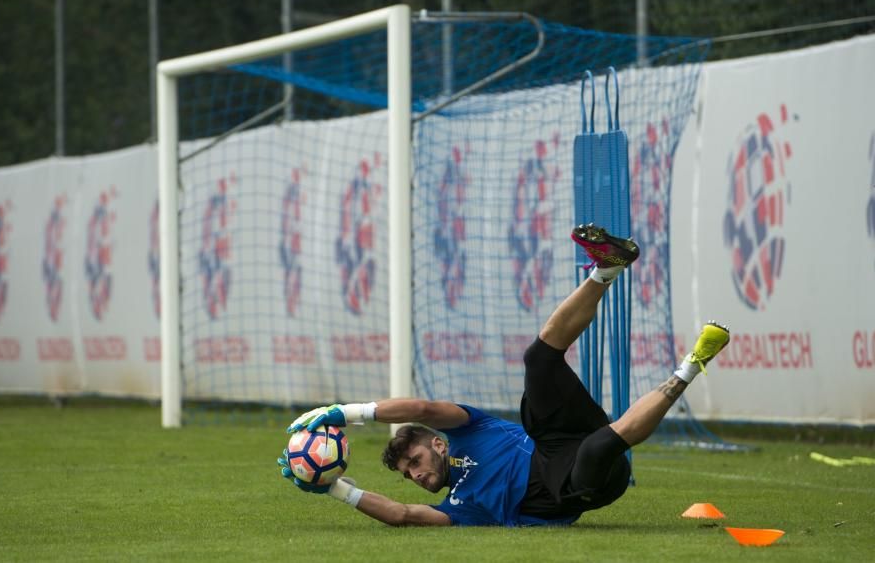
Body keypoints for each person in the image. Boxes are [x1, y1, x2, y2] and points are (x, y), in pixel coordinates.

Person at [277, 223, 730, 527]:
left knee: (538, 358)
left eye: (413, 461)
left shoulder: (469, 430)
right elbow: (403, 516)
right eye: (407, 473)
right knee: (601, 444)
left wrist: (342, 412)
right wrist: (333, 487)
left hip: (554, 442)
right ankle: (692, 364)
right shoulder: (461, 506)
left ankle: (606, 268)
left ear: (437, 443)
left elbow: (421, 408)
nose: (414, 475)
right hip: (577, 489)